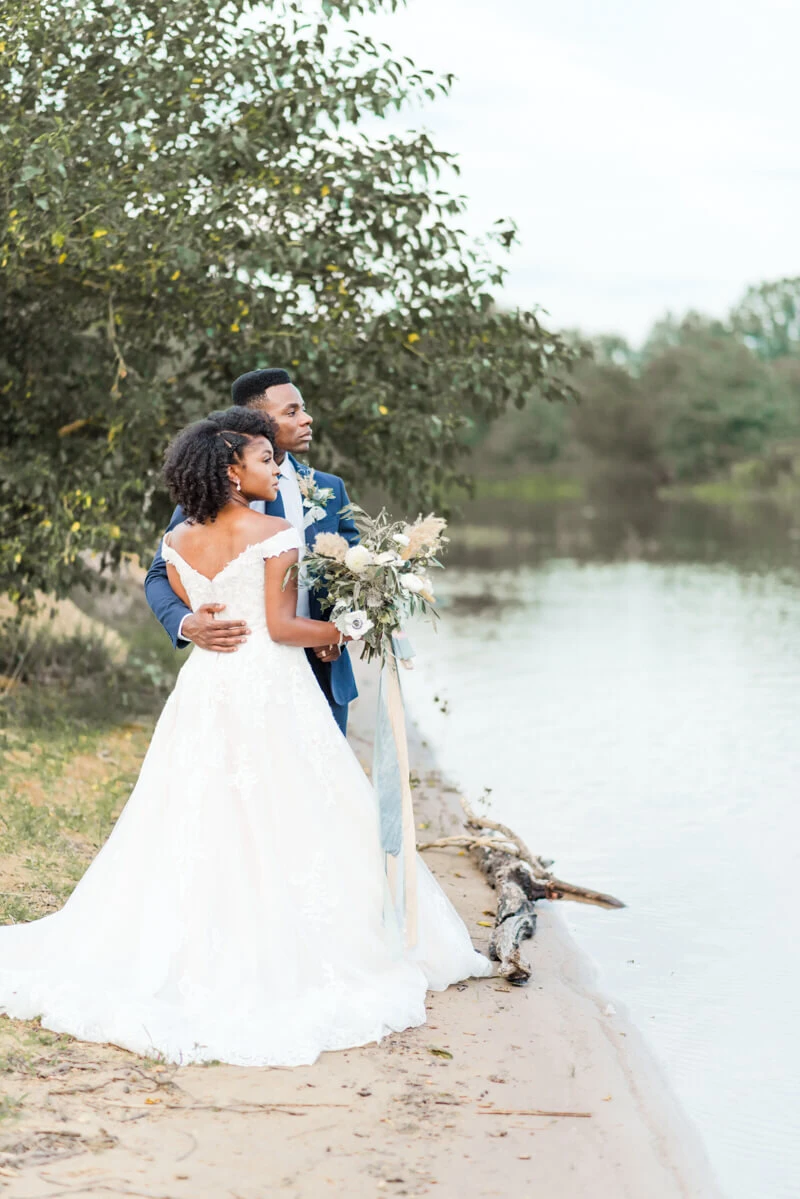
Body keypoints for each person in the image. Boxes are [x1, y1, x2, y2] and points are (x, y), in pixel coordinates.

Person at [0, 411, 491, 1067]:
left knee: (196, 811)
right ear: (232, 469)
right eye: (265, 459)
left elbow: (207, 608)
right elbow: (283, 627)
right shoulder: (274, 531)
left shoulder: (177, 538)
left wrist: (210, 625)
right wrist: (343, 629)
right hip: (272, 689)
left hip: (207, 688)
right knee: (298, 809)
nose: (276, 467)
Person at [145, 369, 357, 733]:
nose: (306, 419)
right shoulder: (206, 492)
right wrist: (186, 623)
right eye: (291, 412)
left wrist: (334, 629)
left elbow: (355, 571)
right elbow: (160, 573)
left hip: (322, 671)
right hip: (239, 671)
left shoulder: (329, 489)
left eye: (303, 409)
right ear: (257, 421)